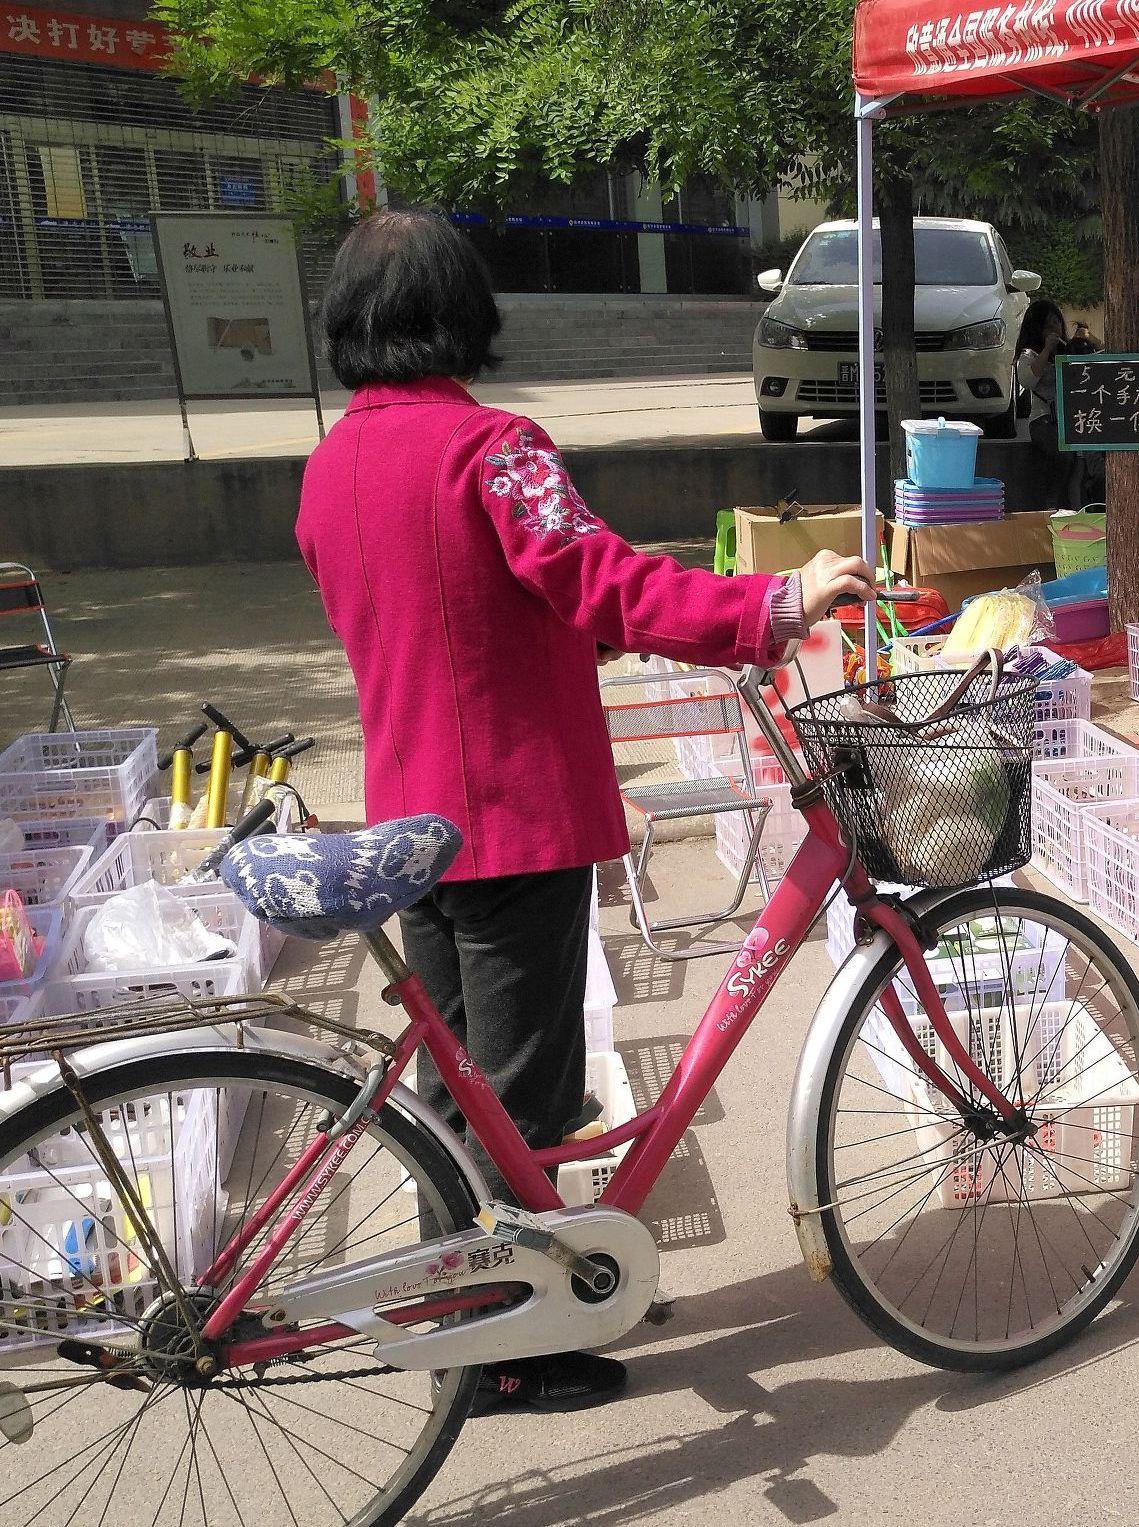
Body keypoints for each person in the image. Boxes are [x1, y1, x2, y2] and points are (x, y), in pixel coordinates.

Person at [298, 209, 872, 1413]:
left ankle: (474, 1296)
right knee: (526, 1095)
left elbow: (450, 609)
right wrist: (775, 599)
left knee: (462, 1096)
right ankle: (510, 1342)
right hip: (511, 812)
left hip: (408, 815)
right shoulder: (491, 448)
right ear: (464, 317)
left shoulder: (332, 464)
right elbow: (594, 575)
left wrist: (574, 642)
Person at [1015, 298, 1091, 510]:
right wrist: (1046, 351)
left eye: (1057, 323)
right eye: (1048, 326)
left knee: (1079, 466)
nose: (1054, 329)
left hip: (1071, 420)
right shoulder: (1029, 355)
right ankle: (1051, 504)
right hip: (1043, 421)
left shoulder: (1068, 350)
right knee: (1062, 455)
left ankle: (1076, 508)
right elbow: (1027, 380)